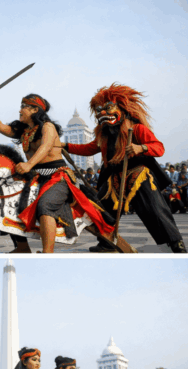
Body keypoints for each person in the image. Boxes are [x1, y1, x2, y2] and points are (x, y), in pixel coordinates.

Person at [0, 95, 115, 253]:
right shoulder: (24, 131)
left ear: (35, 109)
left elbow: (47, 146)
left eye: (24, 106)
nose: (20, 110)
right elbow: (3, 128)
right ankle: (22, 247)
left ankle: (47, 253)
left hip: (58, 176)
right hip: (36, 178)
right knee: (8, 199)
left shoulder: (47, 127)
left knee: (45, 205)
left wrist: (29, 164)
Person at [64, 84, 186, 253]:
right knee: (101, 211)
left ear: (121, 108)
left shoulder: (136, 128)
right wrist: (64, 145)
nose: (102, 113)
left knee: (156, 212)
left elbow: (159, 147)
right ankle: (107, 243)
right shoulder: (103, 135)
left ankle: (176, 245)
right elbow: (89, 149)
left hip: (138, 176)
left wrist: (140, 148)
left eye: (108, 107)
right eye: (99, 110)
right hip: (114, 179)